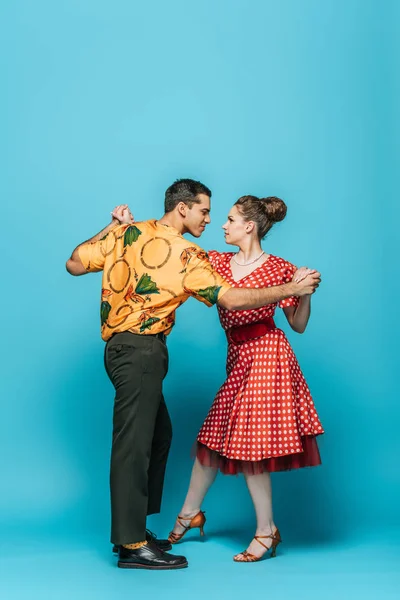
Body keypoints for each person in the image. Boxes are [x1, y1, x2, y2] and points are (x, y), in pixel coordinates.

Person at [65, 180, 320, 570]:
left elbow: (75, 263)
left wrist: (114, 228)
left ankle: (155, 524)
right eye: (205, 211)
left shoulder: (133, 233)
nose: (213, 220)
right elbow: (231, 297)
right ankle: (132, 543)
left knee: (159, 435)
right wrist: (292, 286)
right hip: (143, 349)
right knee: (136, 443)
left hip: (153, 351)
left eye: (225, 217)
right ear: (183, 208)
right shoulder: (194, 255)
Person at [168, 195, 324, 563]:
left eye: (230, 219)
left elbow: (298, 325)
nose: (221, 225)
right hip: (237, 357)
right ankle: (190, 515)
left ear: (249, 226)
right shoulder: (217, 261)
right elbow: (176, 259)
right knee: (213, 437)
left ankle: (266, 531)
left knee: (250, 445)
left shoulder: (280, 268)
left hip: (268, 355)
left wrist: (305, 291)